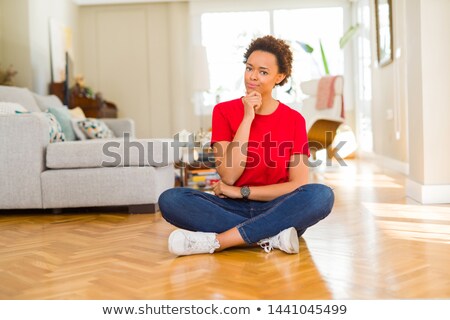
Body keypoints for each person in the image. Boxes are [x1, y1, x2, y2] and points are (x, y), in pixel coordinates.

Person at [159, 35, 334, 256]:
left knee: (322, 195)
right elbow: (229, 175)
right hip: (232, 208)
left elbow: (296, 184)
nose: (252, 77)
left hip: (277, 205)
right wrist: (247, 118)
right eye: (249, 68)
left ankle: (221, 241)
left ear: (279, 77)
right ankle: (272, 236)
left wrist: (241, 192)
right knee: (171, 200)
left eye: (263, 72)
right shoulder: (223, 111)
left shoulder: (294, 120)